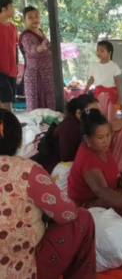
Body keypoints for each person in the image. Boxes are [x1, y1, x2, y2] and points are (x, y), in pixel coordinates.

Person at [0, 108, 96, 279]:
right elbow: (68, 213)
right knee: (82, 218)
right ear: (20, 141)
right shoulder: (26, 171)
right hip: (20, 270)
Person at [67, 109, 122, 220]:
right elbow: (101, 190)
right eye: (101, 138)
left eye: (108, 135)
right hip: (87, 204)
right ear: (87, 139)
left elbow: (113, 129)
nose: (106, 141)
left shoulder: (101, 146)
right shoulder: (87, 159)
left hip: (111, 188)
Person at [35, 94, 99, 174]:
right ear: (78, 113)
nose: (97, 116)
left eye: (98, 113)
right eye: (92, 112)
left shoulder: (81, 123)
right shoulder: (70, 127)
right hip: (54, 169)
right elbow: (66, 157)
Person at [19, 6, 55, 111]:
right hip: (36, 75)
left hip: (47, 75)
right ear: (25, 21)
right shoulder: (26, 35)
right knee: (39, 106)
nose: (35, 19)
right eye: (30, 17)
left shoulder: (40, 32)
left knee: (51, 105)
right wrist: (41, 48)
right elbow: (31, 50)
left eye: (36, 16)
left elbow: (47, 47)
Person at [84, 40, 122, 121]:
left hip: (112, 95)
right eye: (97, 50)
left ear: (109, 53)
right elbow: (91, 79)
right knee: (102, 117)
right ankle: (104, 133)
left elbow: (117, 83)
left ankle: (112, 133)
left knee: (111, 118)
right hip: (99, 95)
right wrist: (86, 89)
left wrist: (120, 97)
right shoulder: (94, 66)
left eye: (102, 51)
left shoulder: (114, 66)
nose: (99, 52)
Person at [0, 0, 18, 112]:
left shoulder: (12, 26)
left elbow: (14, 46)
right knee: (6, 94)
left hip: (12, 69)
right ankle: (9, 121)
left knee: (10, 97)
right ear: (4, 9)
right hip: (0, 70)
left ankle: (8, 122)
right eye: (11, 8)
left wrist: (17, 65)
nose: (13, 10)